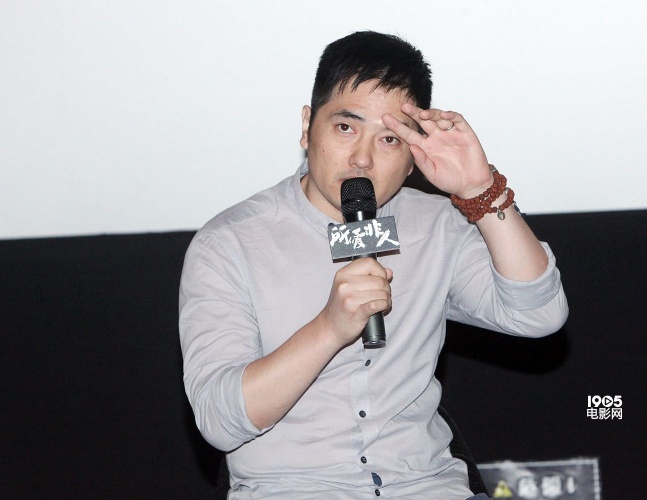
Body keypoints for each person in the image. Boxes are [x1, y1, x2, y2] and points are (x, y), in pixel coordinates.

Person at [179, 31, 568, 499]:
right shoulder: (231, 243)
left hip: (427, 487)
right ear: (307, 126)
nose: (362, 159)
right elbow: (219, 421)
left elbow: (538, 316)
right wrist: (328, 328)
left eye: (388, 139)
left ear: (412, 157)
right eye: (346, 128)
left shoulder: (434, 225)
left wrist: (480, 191)